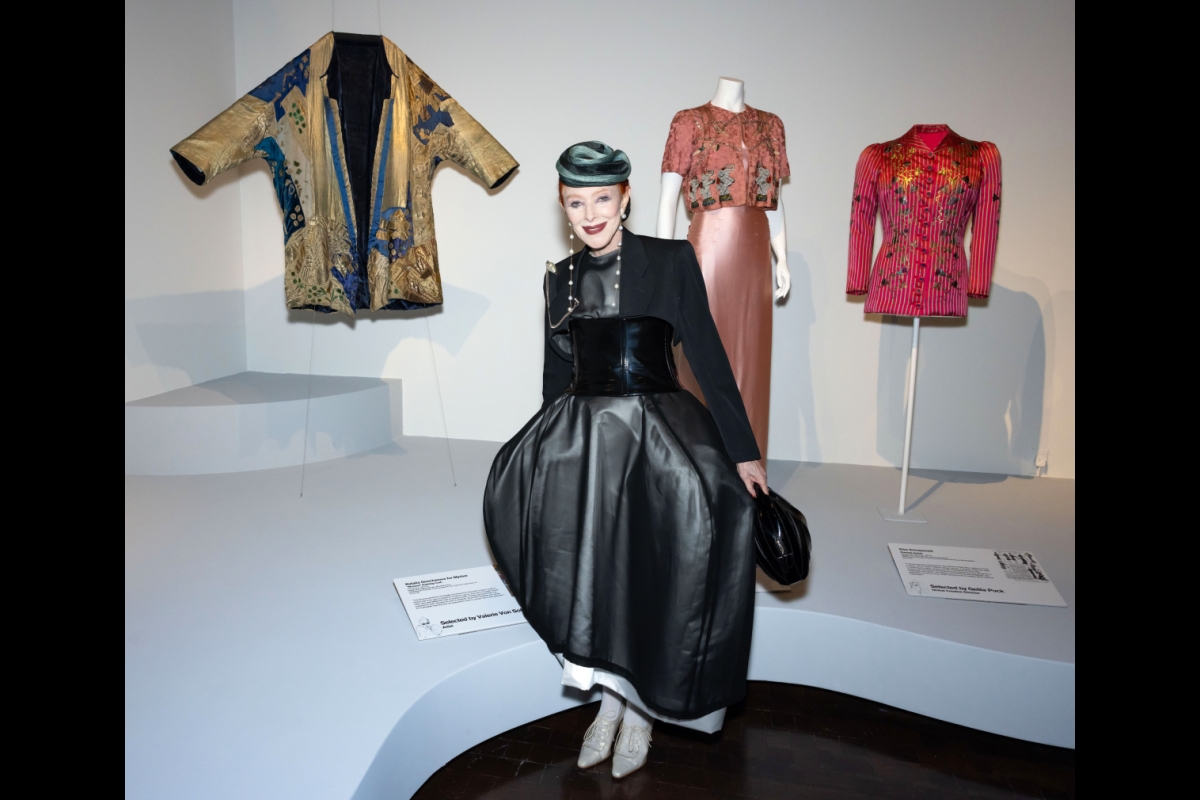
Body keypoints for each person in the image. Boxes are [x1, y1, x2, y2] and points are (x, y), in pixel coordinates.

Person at [484, 142, 765, 779]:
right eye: (576, 202)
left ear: (627, 195)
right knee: (601, 575)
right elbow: (558, 378)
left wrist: (744, 452)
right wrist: (541, 460)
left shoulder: (670, 260)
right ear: (562, 204)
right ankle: (608, 704)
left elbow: (709, 357)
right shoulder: (558, 279)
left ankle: (640, 713)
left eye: (602, 199)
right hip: (589, 447)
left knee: (655, 570)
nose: (590, 214)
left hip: (658, 435)